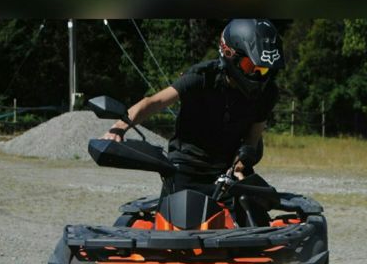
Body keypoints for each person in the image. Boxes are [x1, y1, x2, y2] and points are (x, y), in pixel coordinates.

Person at [101, 18, 284, 194]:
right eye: (251, 66)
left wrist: (240, 164)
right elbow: (154, 102)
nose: (260, 76)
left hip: (227, 171)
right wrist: (119, 128)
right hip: (187, 167)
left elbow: (253, 137)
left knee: (260, 206)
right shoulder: (202, 77)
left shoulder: (267, 93)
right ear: (230, 53)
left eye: (264, 69)